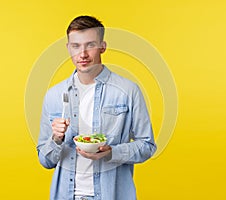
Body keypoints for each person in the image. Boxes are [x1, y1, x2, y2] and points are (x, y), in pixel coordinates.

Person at [37, 15, 157, 200]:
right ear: (68, 48)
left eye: (90, 45)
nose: (82, 54)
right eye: (76, 46)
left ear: (102, 46)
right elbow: (45, 161)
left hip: (112, 194)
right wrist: (56, 139)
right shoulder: (53, 95)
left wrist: (112, 153)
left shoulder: (128, 90)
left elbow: (147, 146)